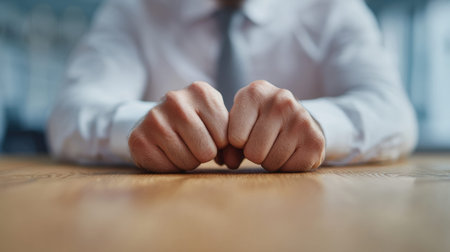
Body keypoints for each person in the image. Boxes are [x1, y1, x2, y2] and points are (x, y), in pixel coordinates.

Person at [47, 0, 418, 173]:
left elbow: (393, 111)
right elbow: (69, 112)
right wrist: (138, 124)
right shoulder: (134, 10)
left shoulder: (334, 9)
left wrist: (318, 123)